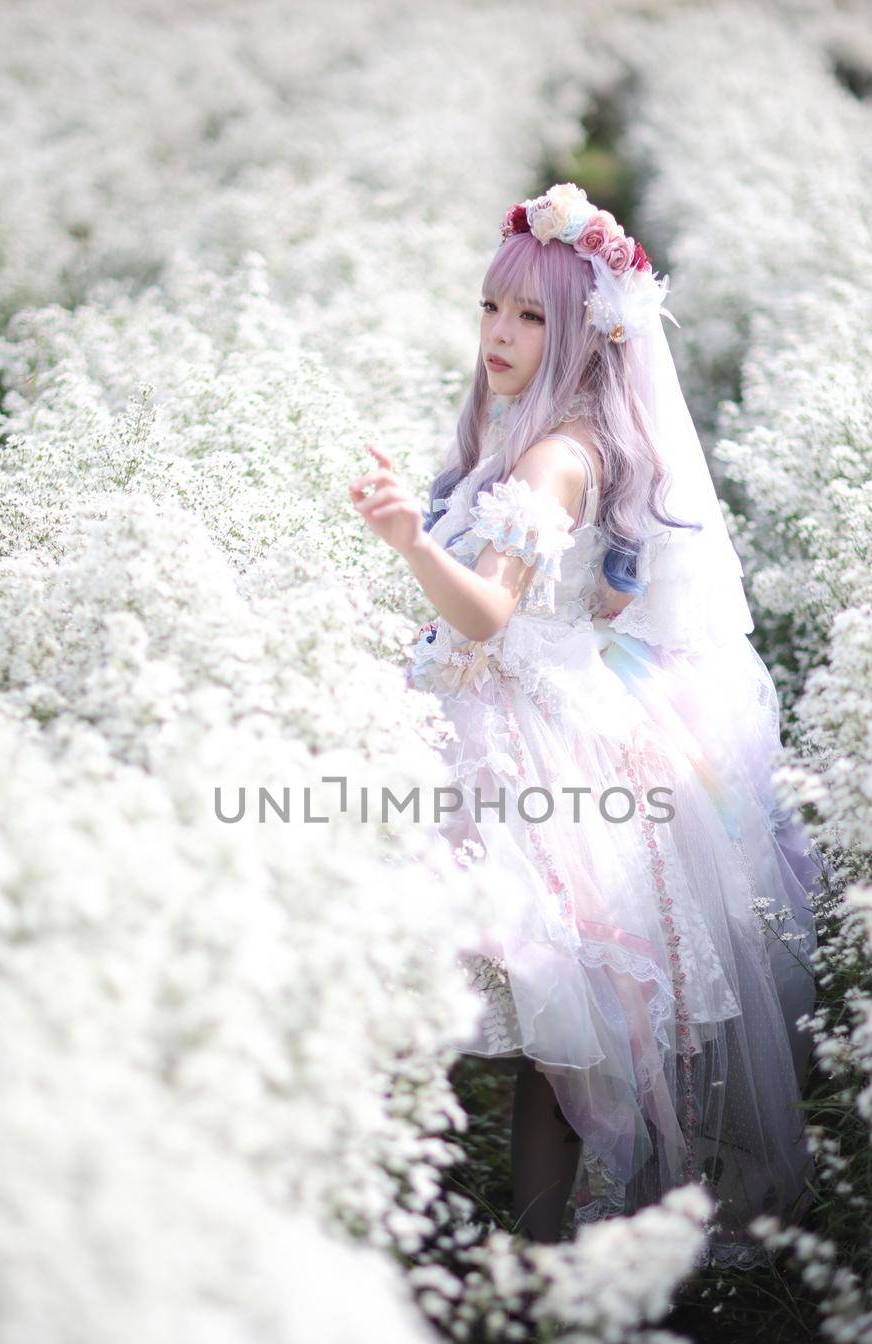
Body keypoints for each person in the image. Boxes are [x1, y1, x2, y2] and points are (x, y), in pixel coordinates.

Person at [349, 183, 824, 1261]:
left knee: (552, 1027)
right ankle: (497, 1240)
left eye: (530, 319)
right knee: (533, 1026)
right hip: (508, 714)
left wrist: (406, 543)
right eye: (491, 309)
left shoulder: (553, 454)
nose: (500, 337)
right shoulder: (527, 432)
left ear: (581, 337)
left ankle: (519, 1249)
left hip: (539, 752)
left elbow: (489, 607)